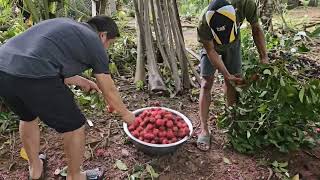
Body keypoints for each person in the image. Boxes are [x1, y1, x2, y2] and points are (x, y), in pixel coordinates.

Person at [0, 16, 134, 180]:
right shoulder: (93, 39)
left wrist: (80, 80)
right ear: (103, 35)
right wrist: (127, 115)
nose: (106, 48)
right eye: (110, 44)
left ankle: (35, 169)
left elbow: (41, 57)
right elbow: (109, 88)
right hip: (33, 75)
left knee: (27, 116)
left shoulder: (67, 26)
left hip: (4, 70)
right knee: (75, 126)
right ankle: (75, 176)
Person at [196, 0, 268, 151]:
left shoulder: (245, 3)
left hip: (234, 43)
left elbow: (256, 28)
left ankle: (232, 123)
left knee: (233, 84)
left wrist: (264, 57)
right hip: (212, 46)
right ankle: (203, 129)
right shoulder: (204, 22)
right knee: (206, 83)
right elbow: (210, 51)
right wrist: (225, 74)